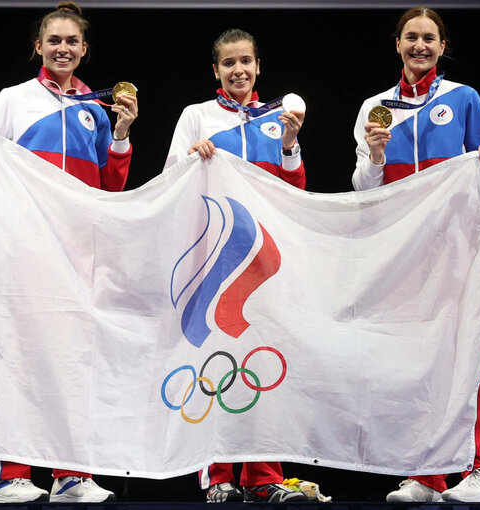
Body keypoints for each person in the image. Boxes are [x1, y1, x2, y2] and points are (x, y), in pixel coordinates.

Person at [0, 1, 138, 504]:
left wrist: (120, 135)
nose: (63, 48)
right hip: (24, 249)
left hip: (77, 252)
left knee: (76, 359)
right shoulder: (13, 99)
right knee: (16, 354)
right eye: (54, 40)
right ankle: (8, 476)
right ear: (38, 47)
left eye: (72, 41)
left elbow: (109, 188)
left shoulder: (97, 109)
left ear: (84, 50)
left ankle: (71, 475)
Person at [351, 6, 480, 504]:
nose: (420, 46)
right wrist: (376, 154)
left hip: (457, 248)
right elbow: (363, 188)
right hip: (402, 252)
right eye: (411, 37)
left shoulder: (462, 98)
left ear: (442, 47)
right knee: (413, 361)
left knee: (470, 351)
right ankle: (428, 474)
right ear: (396, 43)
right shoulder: (374, 108)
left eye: (429, 39)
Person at [164, 28, 308, 504]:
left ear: (259, 66)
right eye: (229, 63)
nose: (238, 70)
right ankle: (218, 476)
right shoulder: (196, 116)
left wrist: (290, 143)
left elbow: (296, 193)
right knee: (214, 363)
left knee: (267, 364)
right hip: (215, 263)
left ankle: (264, 476)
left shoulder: (278, 117)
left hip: (267, 265)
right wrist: (191, 159)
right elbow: (170, 181)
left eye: (246, 61)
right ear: (216, 71)